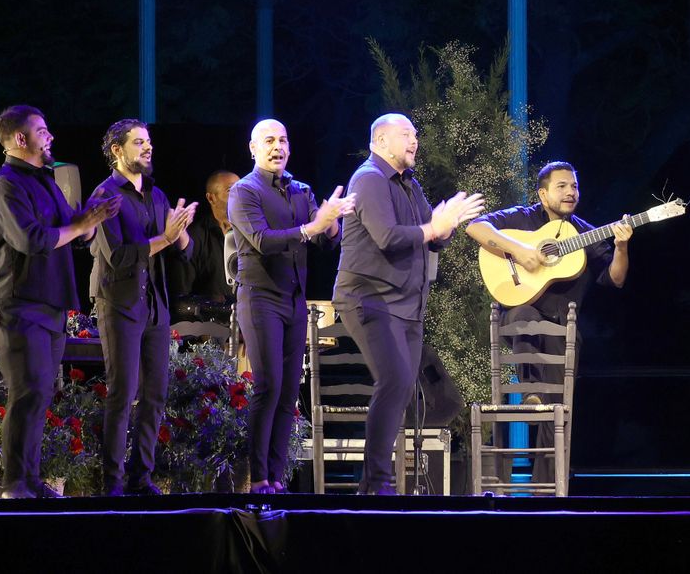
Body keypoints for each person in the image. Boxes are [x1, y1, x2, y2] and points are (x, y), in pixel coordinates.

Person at [333, 113, 483, 495]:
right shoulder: (368, 179)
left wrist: (443, 226)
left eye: (415, 135)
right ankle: (377, 483)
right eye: (406, 135)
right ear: (381, 141)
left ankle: (378, 482)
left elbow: (430, 234)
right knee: (396, 380)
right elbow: (387, 236)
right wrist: (433, 227)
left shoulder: (409, 184)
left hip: (407, 306)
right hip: (370, 299)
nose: (415, 141)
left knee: (401, 388)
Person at [0, 105, 120, 499]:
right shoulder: (5, 185)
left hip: (47, 303)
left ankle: (30, 479)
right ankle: (13, 486)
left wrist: (91, 223)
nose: (50, 136)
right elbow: (33, 240)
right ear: (20, 139)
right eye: (42, 131)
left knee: (40, 392)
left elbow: (72, 231)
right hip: (14, 303)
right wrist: (80, 225)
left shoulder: (46, 181)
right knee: (28, 390)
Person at [466, 161, 635, 481]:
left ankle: (547, 484)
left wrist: (622, 247)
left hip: (561, 331)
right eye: (562, 186)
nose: (571, 192)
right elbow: (475, 227)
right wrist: (519, 250)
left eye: (574, 186)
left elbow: (615, 279)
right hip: (519, 315)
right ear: (543, 195)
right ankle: (531, 391)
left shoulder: (586, 233)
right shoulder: (523, 218)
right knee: (523, 315)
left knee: (557, 412)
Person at [229, 119, 354, 494]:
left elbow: (326, 243)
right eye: (269, 141)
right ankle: (258, 477)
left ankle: (275, 477)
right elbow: (262, 240)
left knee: (288, 391)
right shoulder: (243, 191)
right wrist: (313, 228)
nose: (277, 147)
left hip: (294, 300)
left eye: (283, 140)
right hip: (260, 298)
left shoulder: (300, 190)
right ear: (253, 148)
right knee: (267, 385)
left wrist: (331, 223)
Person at [89, 119, 197, 496]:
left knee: (155, 393)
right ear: (117, 150)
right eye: (139, 142)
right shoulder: (105, 196)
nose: (147, 148)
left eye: (149, 141)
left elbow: (187, 252)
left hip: (155, 304)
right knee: (122, 392)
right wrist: (164, 238)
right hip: (119, 303)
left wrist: (180, 232)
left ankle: (142, 476)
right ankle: (113, 482)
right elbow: (118, 258)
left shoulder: (157, 194)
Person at [168, 170, 240, 321]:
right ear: (211, 198)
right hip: (208, 328)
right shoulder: (195, 236)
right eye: (231, 190)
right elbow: (182, 295)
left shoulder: (252, 235)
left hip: (249, 326)